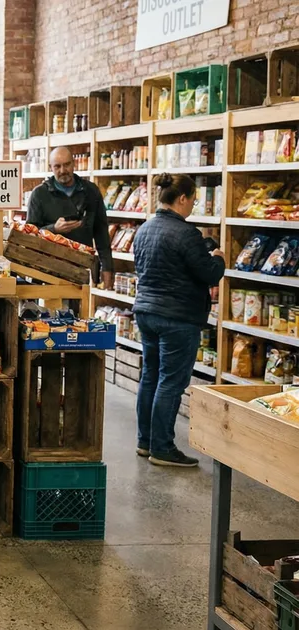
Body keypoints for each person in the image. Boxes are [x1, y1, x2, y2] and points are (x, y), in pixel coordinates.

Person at [132, 173, 225, 468]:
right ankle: (162, 448)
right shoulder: (186, 234)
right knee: (171, 381)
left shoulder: (144, 229)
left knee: (150, 375)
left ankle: (145, 442)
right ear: (182, 198)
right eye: (193, 201)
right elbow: (210, 273)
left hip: (146, 312)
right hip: (178, 317)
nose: (193, 207)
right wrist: (219, 257)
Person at [28, 146, 115, 290]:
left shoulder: (91, 191)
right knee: (51, 304)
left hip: (82, 269)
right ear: (50, 168)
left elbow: (101, 234)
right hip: (49, 271)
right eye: (57, 166)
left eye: (67, 164)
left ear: (74, 163)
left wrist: (107, 269)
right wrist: (54, 229)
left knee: (80, 305)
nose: (63, 170)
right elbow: (30, 233)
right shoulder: (39, 194)